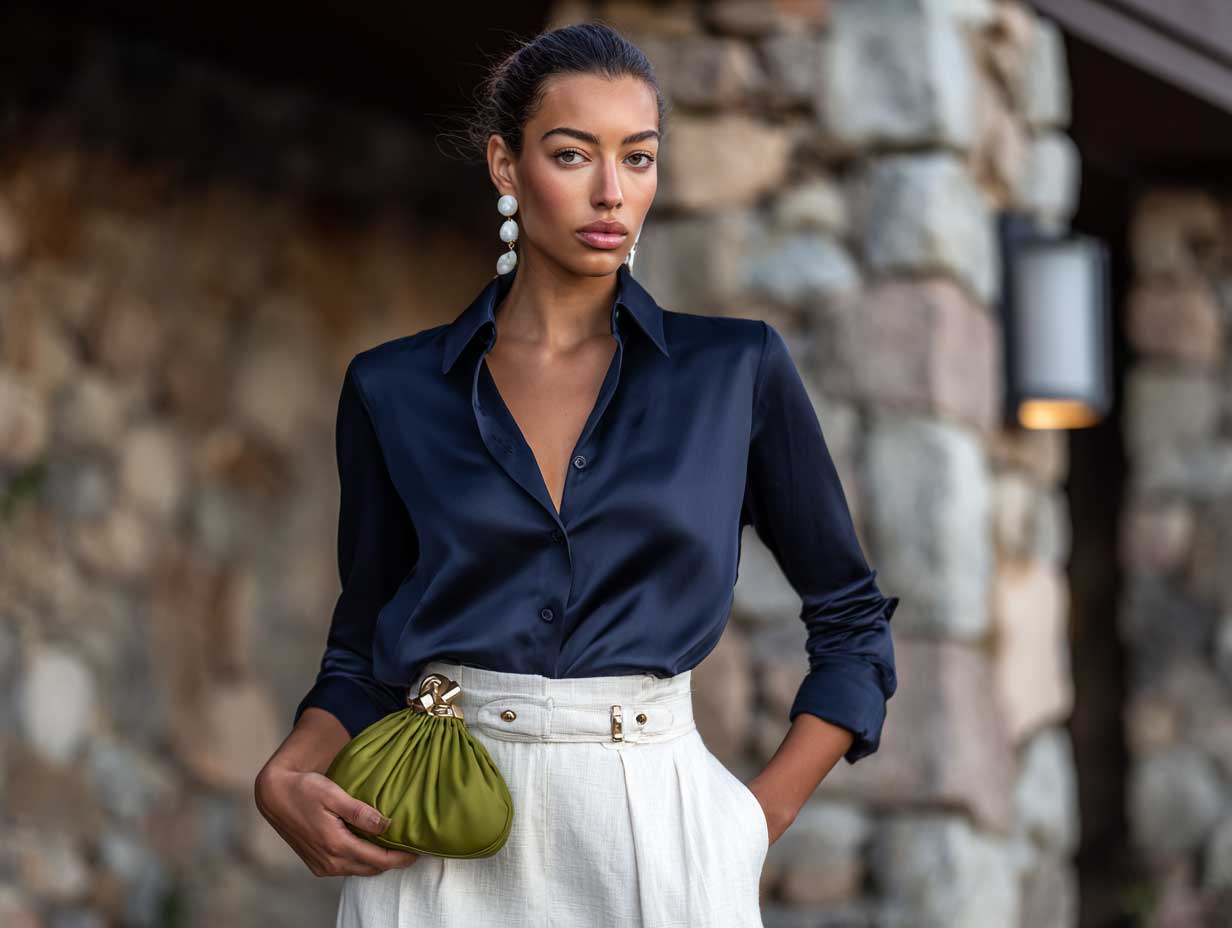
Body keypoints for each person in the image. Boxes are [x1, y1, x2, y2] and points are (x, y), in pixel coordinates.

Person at [254, 20, 899, 928]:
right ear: (505, 167)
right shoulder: (392, 390)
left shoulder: (734, 372)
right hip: (441, 832)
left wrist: (750, 822)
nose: (610, 192)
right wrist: (286, 771)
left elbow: (852, 619)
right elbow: (364, 646)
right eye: (571, 154)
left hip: (660, 829)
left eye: (638, 159)